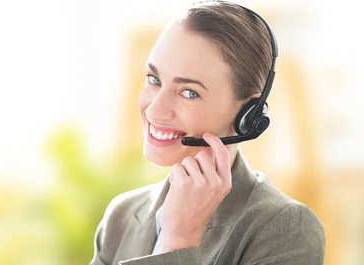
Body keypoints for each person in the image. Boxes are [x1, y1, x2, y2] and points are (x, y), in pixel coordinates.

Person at [89, 1, 325, 265]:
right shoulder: (121, 216)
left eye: (189, 92)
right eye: (154, 80)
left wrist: (179, 240)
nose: (155, 111)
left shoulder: (286, 228)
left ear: (248, 113)